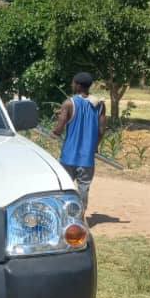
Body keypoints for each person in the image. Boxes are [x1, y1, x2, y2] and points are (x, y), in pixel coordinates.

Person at [52, 72, 106, 211]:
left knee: (65, 187)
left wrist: (55, 133)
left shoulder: (69, 103)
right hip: (87, 159)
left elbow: (60, 126)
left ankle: (63, 215)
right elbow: (101, 131)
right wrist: (94, 147)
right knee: (83, 189)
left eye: (73, 83)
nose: (72, 85)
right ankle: (79, 216)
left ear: (78, 85)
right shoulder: (99, 105)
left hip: (68, 157)